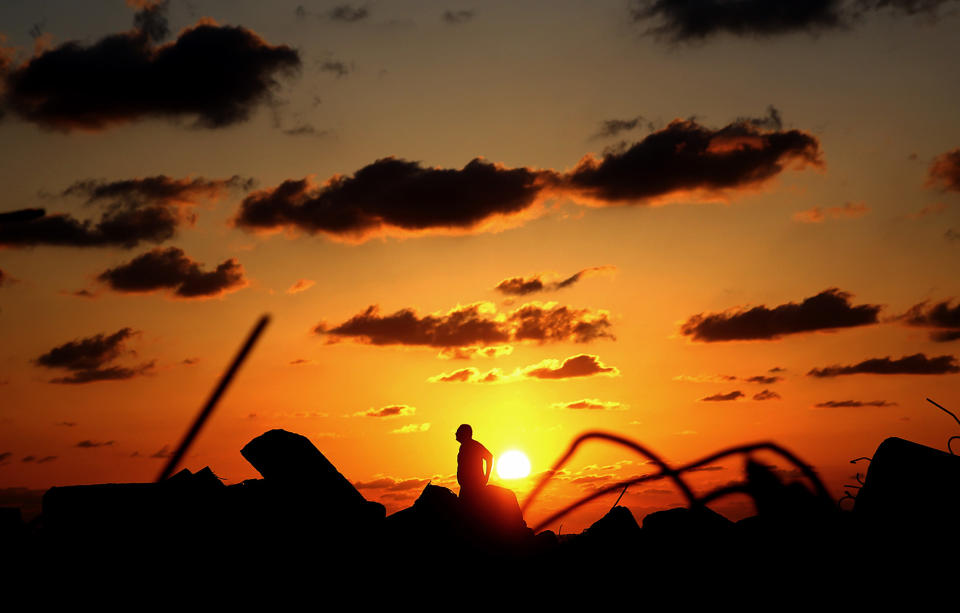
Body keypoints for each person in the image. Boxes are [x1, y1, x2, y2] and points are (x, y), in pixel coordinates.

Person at [455, 424, 492, 501]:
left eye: (458, 431)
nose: (456, 433)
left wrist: (486, 478)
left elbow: (489, 457)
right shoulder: (463, 447)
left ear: (465, 433)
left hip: (474, 488)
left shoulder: (474, 445)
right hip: (465, 488)